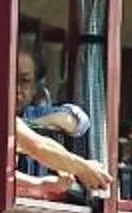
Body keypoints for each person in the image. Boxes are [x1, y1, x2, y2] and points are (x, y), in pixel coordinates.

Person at [11, 45, 111, 201]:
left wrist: (41, 184)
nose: (16, 88)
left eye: (24, 81)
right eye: (10, 78)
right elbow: (37, 146)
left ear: (35, 87)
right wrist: (83, 168)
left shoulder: (30, 114)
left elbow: (76, 122)